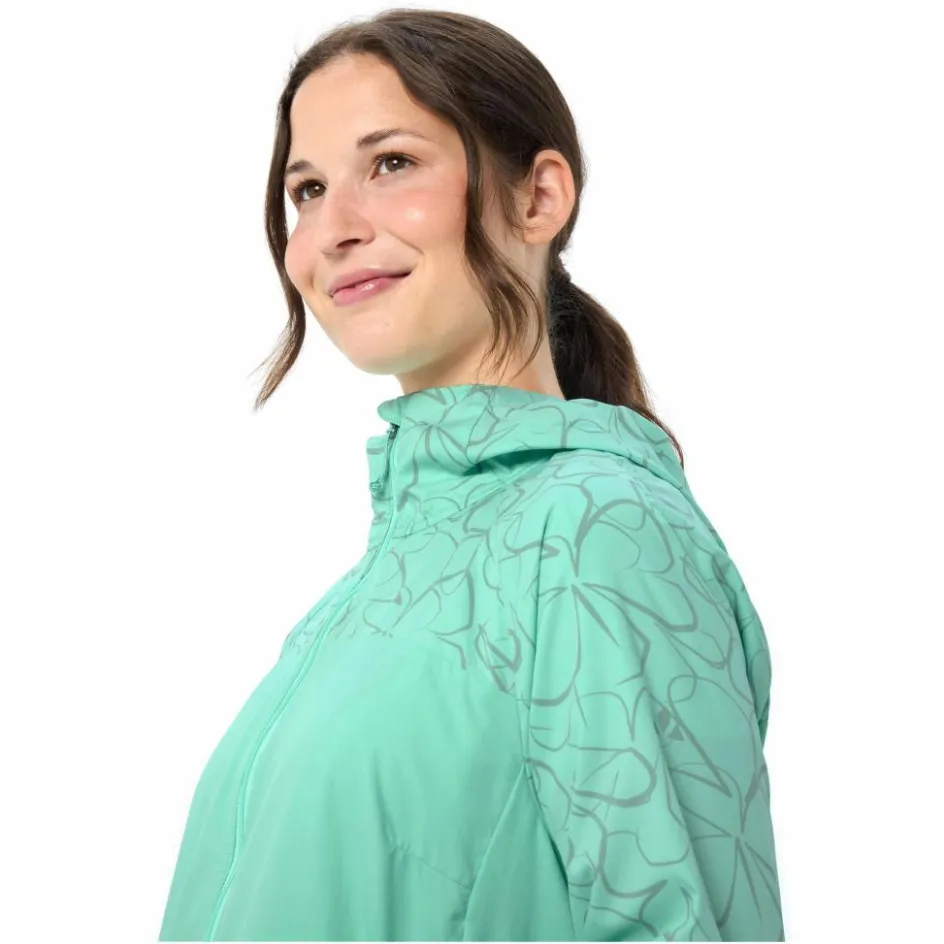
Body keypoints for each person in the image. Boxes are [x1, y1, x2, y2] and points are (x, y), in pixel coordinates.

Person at [159, 8, 783, 942]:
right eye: (307, 189)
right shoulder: (360, 601)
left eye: (391, 163)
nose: (333, 229)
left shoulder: (599, 531)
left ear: (539, 197)